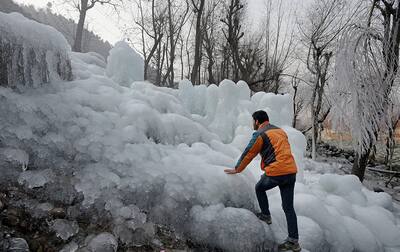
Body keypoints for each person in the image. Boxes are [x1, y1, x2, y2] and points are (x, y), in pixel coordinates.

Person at [224, 110, 300, 252]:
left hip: (277, 172)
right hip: (291, 172)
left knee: (259, 188)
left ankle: (265, 215)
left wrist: (237, 169)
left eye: (253, 121)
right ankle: (294, 241)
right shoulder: (279, 131)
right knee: (288, 208)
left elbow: (249, 152)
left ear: (257, 121)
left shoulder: (260, 134)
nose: (253, 123)